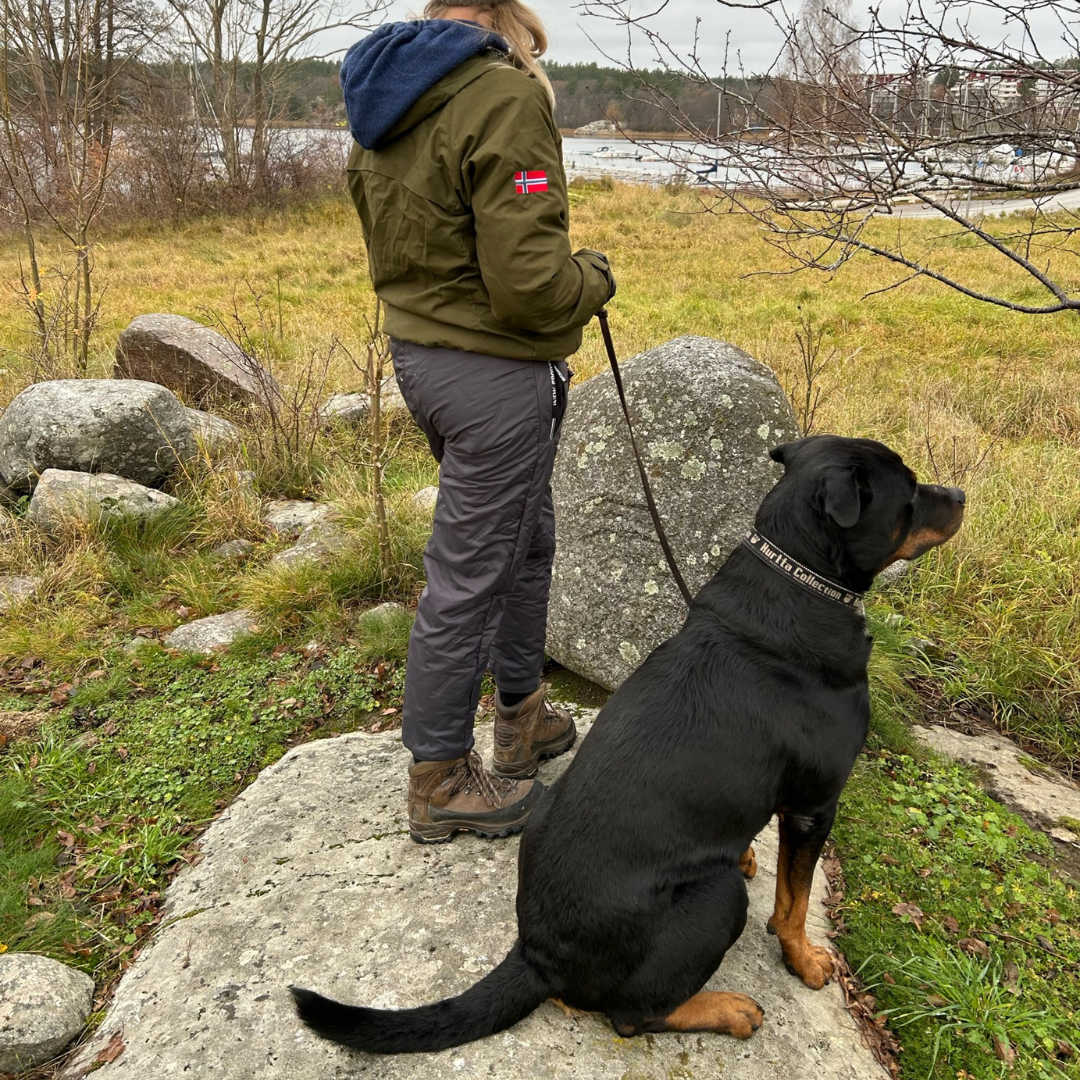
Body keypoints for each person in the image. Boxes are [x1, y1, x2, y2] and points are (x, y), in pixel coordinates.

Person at [340, 1, 616, 844]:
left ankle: (522, 715)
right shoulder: (502, 93)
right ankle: (438, 775)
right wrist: (593, 281)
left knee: (526, 542)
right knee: (469, 575)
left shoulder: (389, 90)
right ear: (507, 19)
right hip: (495, 373)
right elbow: (532, 283)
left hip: (425, 356)